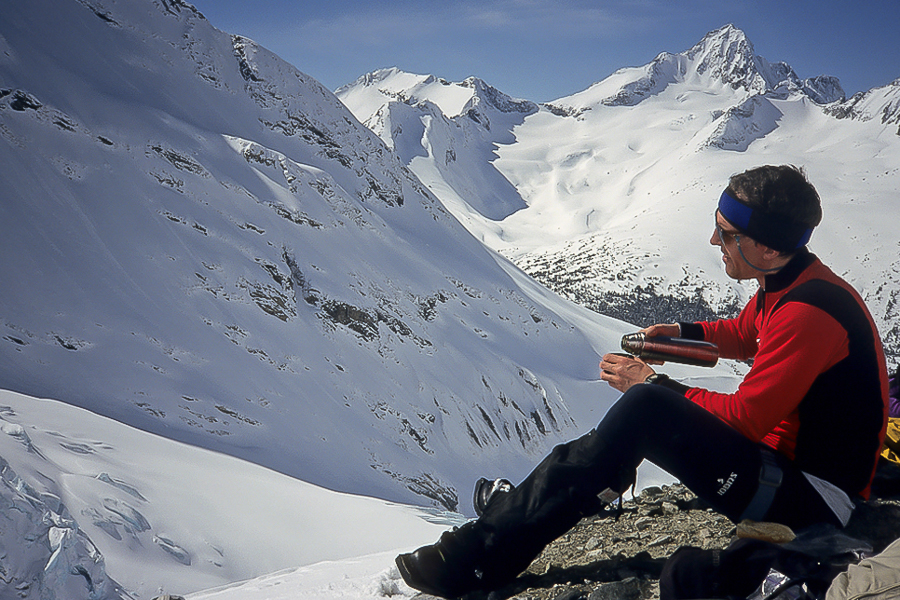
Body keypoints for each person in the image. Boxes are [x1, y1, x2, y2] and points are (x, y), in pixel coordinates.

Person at [395, 165, 890, 599]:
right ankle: (532, 511)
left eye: (726, 233)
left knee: (646, 409)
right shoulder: (791, 281)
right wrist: (680, 335)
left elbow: (747, 418)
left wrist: (652, 382)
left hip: (812, 502)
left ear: (764, 244)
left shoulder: (807, 312)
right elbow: (746, 334)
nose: (715, 242)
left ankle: (482, 555)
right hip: (787, 474)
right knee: (644, 410)